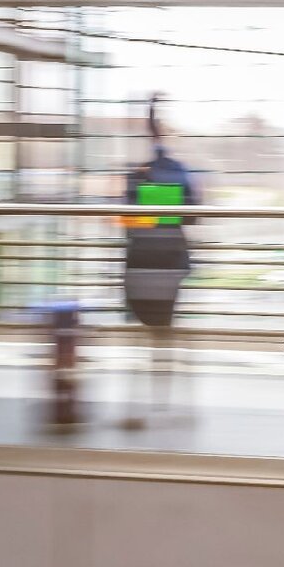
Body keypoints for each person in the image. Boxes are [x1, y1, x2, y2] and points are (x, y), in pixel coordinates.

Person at [120, 94, 200, 429]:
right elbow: (192, 216)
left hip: (141, 262)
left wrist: (148, 215)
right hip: (169, 262)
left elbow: (128, 218)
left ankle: (143, 407)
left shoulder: (137, 176)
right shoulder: (179, 172)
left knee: (145, 336)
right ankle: (167, 404)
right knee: (163, 336)